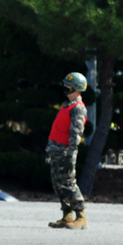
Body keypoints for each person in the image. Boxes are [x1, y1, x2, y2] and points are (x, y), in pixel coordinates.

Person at [48, 72, 89, 229]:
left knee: (68, 183)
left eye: (68, 86)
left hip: (66, 151)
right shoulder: (67, 105)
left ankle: (81, 216)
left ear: (77, 88)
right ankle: (67, 215)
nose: (65, 88)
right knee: (58, 183)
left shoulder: (78, 108)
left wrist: (70, 154)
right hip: (56, 150)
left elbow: (76, 133)